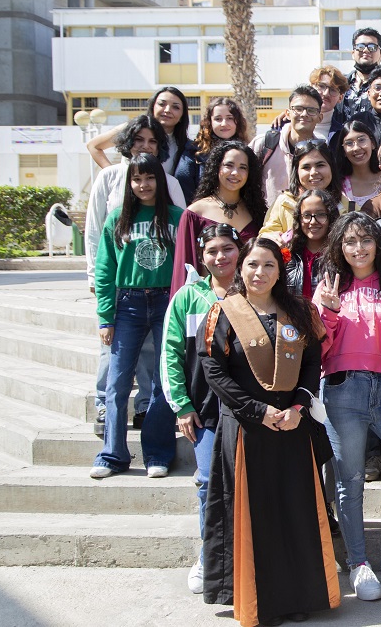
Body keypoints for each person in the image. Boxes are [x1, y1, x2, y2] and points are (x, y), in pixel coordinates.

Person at [199, 237, 341, 626]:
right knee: (255, 513)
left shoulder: (298, 311)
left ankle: (298, 595)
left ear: (280, 272)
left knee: (294, 509)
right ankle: (260, 600)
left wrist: (297, 408)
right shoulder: (223, 312)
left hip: (292, 425)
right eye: (252, 265)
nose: (259, 273)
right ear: (240, 268)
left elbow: (312, 363)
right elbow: (214, 371)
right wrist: (257, 411)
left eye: (268, 266)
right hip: (247, 428)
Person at [313, 212, 381, 603]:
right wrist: (329, 311)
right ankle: (358, 564)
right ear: (339, 246)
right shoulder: (328, 286)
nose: (358, 248)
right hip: (342, 391)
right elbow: (316, 347)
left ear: (378, 244)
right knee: (349, 481)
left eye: (366, 239)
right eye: (349, 241)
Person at [85, 115, 186, 435]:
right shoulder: (110, 177)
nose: (145, 145)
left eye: (152, 141)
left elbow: (180, 236)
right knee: (113, 352)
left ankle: (146, 406)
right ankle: (104, 404)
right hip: (123, 285)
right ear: (128, 142)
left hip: (160, 289)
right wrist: (94, 276)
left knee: (154, 354)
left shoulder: (169, 184)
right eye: (139, 139)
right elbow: (95, 231)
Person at [161, 222, 244, 594]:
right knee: (210, 482)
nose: (220, 257)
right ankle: (209, 555)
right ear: (202, 256)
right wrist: (181, 406)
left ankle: (248, 555)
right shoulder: (188, 297)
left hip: (249, 408)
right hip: (205, 411)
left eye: (227, 249)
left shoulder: (253, 289)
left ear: (239, 251)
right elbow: (170, 352)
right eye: (212, 251)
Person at [172, 141, 265, 294]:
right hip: (208, 299)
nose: (235, 173)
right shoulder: (195, 214)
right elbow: (184, 269)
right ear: (217, 167)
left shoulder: (257, 213)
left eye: (243, 167)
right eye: (229, 165)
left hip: (251, 299)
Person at [87, 86, 192, 175]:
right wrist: (114, 174)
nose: (167, 110)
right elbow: (93, 146)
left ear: (182, 115)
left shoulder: (185, 146)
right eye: (161, 104)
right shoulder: (132, 128)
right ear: (153, 107)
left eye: (175, 107)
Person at [259, 139, 346, 240]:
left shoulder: (346, 205)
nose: (313, 172)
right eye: (306, 167)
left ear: (331, 168)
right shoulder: (284, 204)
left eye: (320, 165)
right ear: (296, 172)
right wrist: (275, 240)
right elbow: (265, 236)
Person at [251, 85, 324, 205]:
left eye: (311, 110)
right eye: (298, 109)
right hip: (265, 216)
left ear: (320, 117)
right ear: (288, 113)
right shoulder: (264, 144)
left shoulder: (322, 151)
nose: (304, 114)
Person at [176, 97, 250, 202]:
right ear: (210, 122)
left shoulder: (246, 152)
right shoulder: (195, 152)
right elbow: (183, 182)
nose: (224, 124)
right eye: (218, 119)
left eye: (230, 118)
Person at [285, 189, 337, 299]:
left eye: (321, 215)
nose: (313, 221)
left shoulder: (339, 256)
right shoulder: (288, 254)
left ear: (331, 217)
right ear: (299, 219)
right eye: (307, 215)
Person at [334, 120, 381, 211]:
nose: (356, 148)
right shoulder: (338, 185)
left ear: (372, 143)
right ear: (343, 151)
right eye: (349, 143)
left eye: (361, 140)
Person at [311, 65, 351, 143]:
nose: (326, 93)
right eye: (321, 86)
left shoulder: (343, 135)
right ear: (311, 87)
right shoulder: (289, 126)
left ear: (340, 98)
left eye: (333, 90)